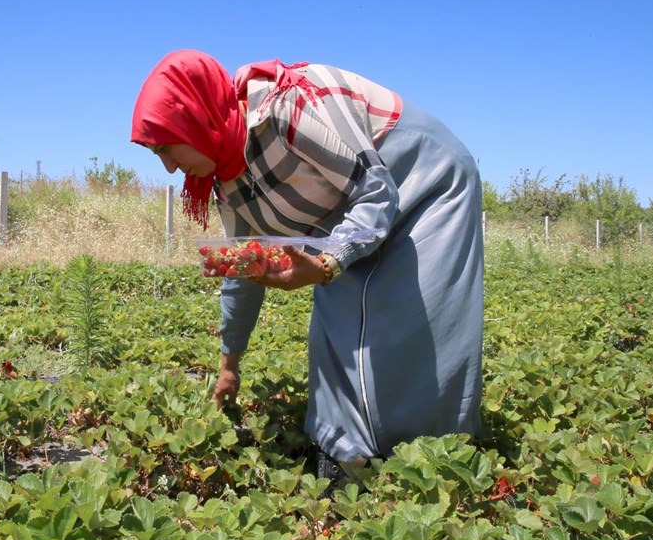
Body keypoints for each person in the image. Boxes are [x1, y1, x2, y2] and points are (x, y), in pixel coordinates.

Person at [130, 49, 484, 486]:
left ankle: (436, 465)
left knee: (410, 319)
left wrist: (327, 263)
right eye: (155, 154)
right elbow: (245, 272)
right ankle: (346, 460)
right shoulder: (227, 182)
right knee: (334, 327)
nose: (168, 167)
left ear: (196, 119)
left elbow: (375, 192)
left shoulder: (289, 105)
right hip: (356, 213)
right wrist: (229, 363)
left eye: (167, 146)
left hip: (426, 181)